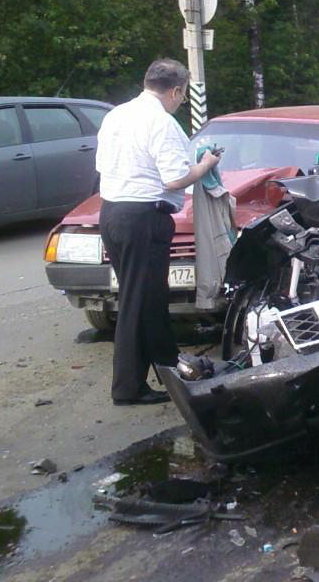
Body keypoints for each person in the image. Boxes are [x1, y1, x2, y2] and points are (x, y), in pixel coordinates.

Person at [95, 58, 220, 406]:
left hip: (113, 212)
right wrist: (206, 165)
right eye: (183, 95)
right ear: (177, 91)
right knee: (138, 302)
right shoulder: (162, 123)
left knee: (149, 300)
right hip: (143, 217)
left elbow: (102, 165)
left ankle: (171, 368)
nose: (181, 101)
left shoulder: (116, 115)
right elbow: (174, 179)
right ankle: (127, 388)